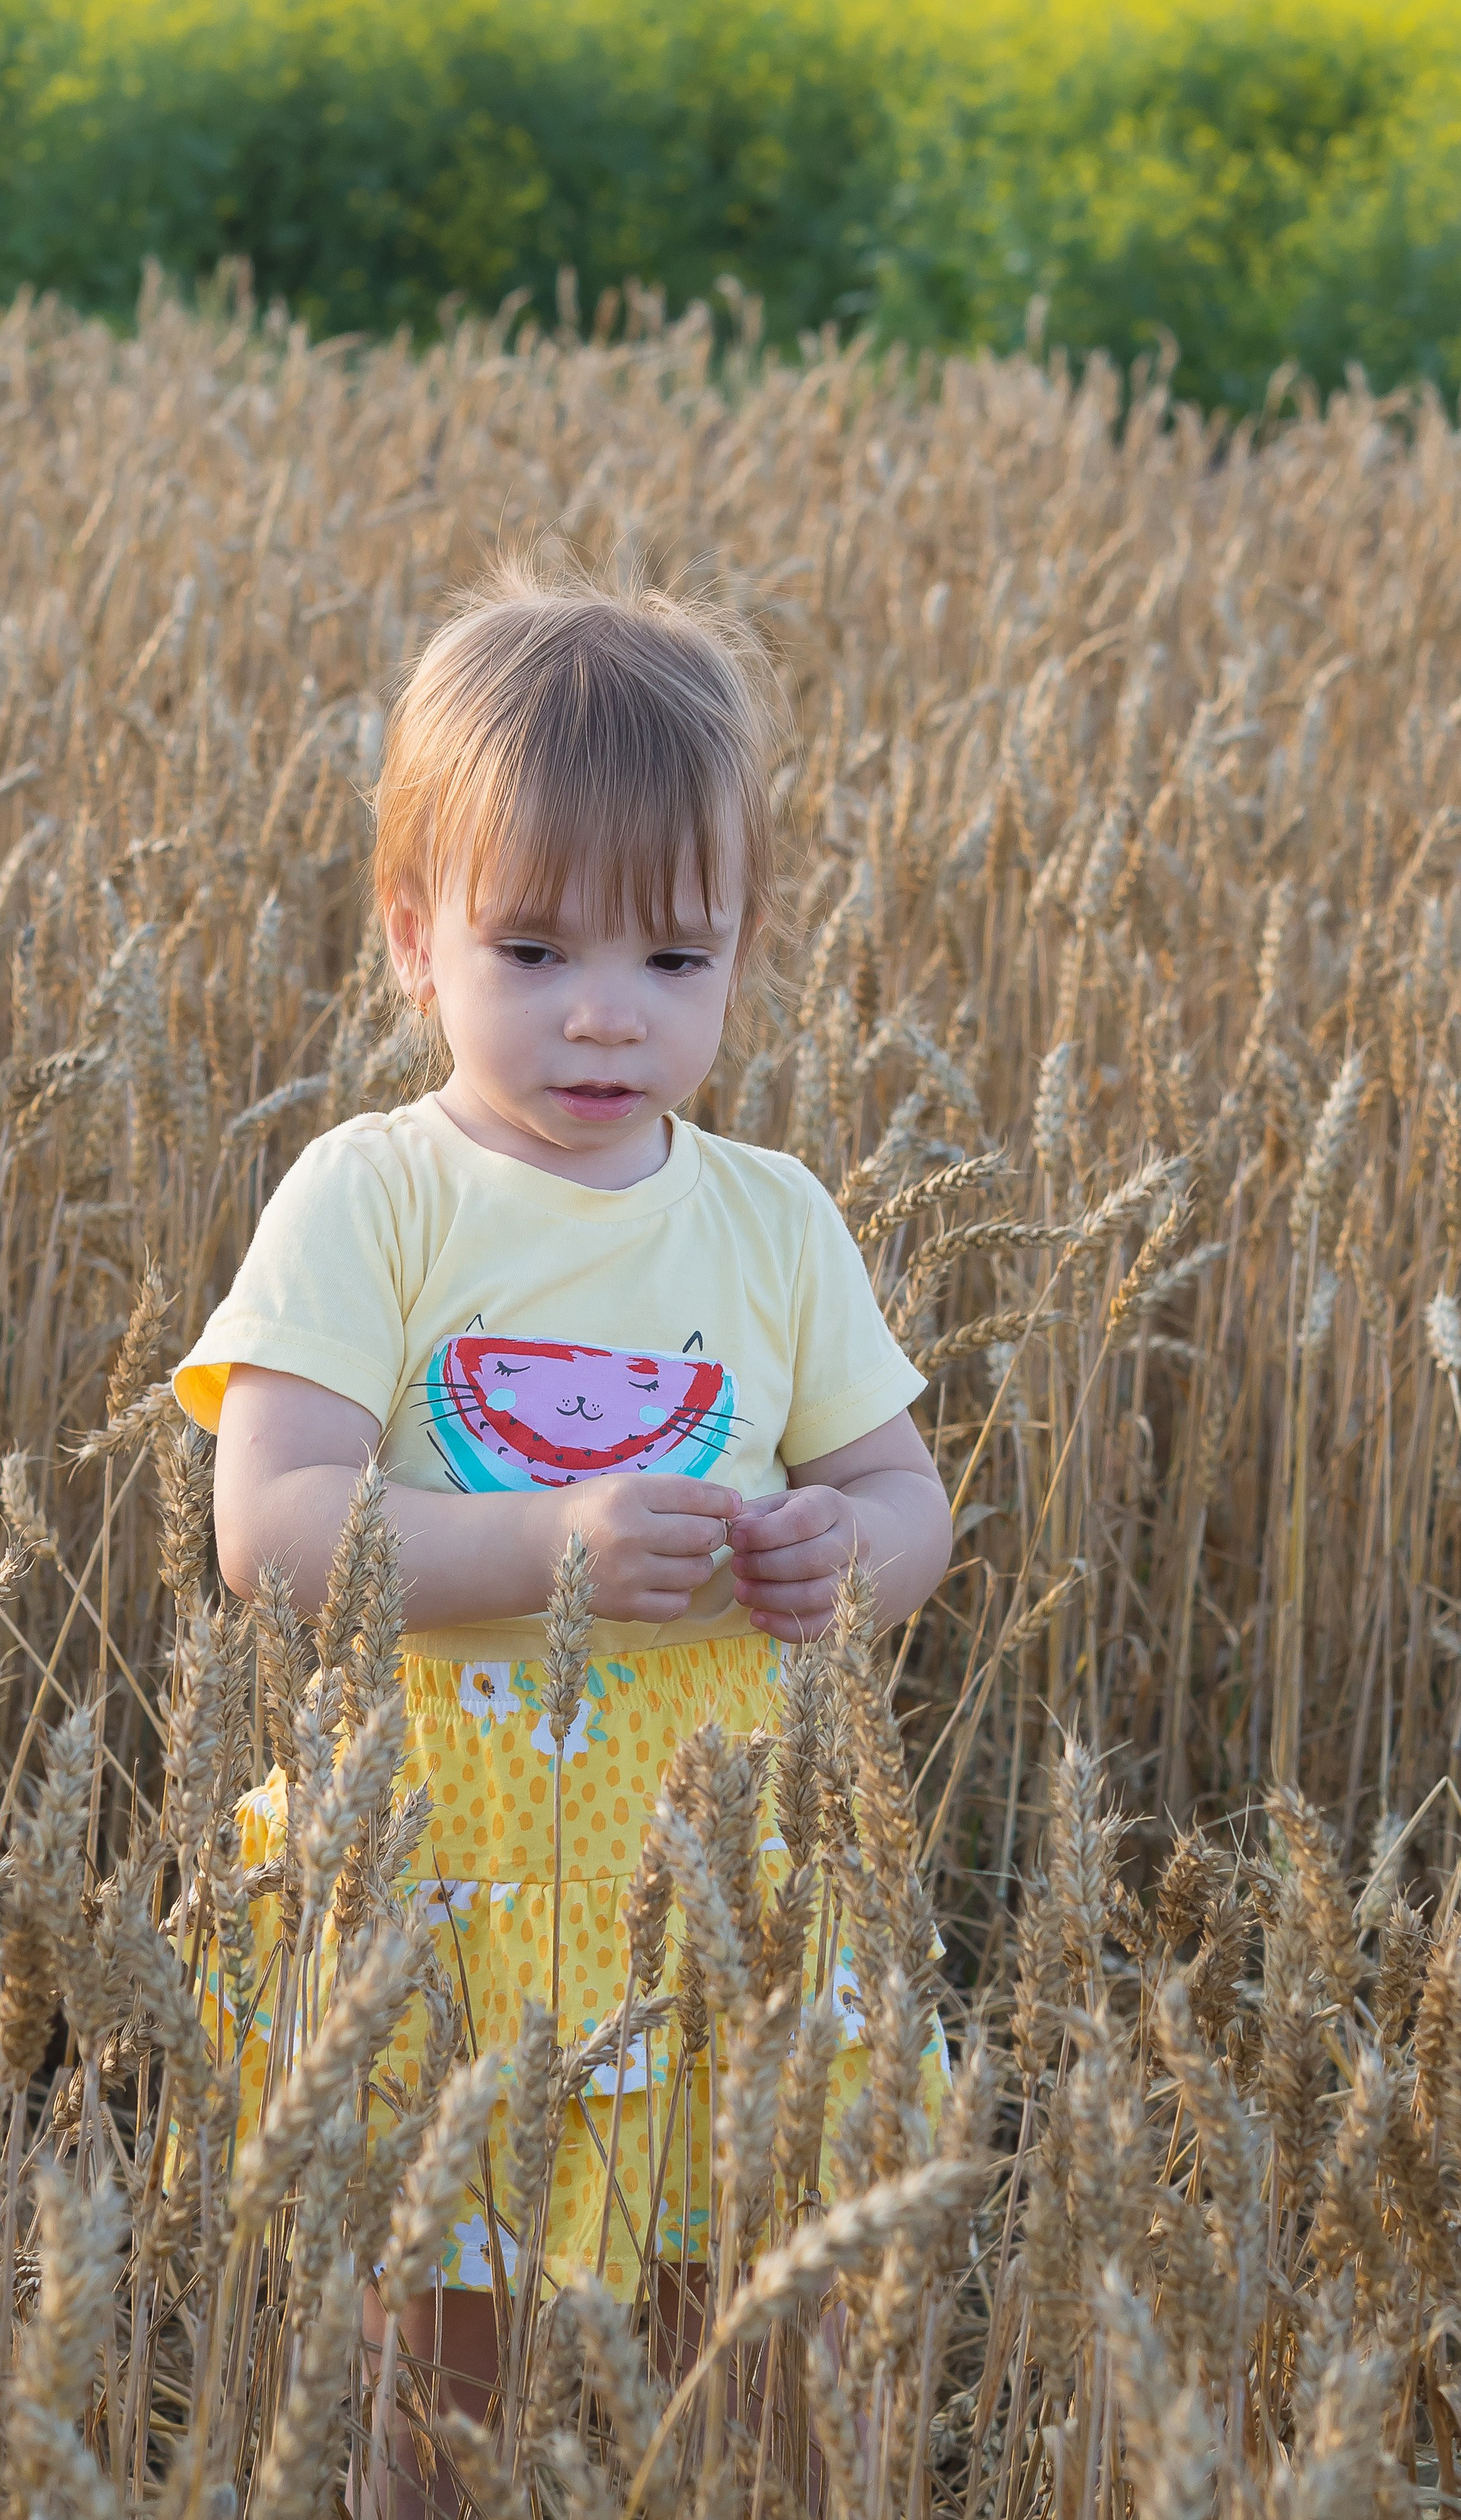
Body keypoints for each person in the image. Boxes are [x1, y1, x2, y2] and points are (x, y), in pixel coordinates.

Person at [174, 563, 954, 2513]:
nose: (607, 1012)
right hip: (463, 1897)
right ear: (411, 937)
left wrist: (840, 1552)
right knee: (448, 2390)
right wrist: (549, 1550)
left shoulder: (776, 1221)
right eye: (532, 950)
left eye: (676, 959)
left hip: (728, 1894)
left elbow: (906, 1497)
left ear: (743, 951)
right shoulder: (370, 1196)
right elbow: (272, 1525)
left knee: (772, 2358)